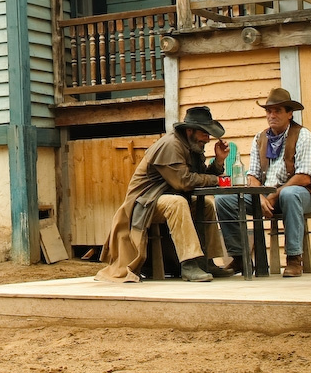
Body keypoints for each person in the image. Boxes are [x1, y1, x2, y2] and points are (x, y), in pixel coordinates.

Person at [95, 106, 235, 283]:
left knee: (206, 204)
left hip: (165, 196)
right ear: (190, 130)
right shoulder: (171, 145)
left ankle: (207, 262)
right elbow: (183, 182)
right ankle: (189, 265)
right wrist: (216, 180)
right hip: (145, 201)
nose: (207, 139)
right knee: (177, 203)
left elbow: (200, 176)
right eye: (204, 133)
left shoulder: (192, 146)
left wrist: (219, 161)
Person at [215, 88, 311, 278]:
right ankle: (240, 257)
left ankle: (294, 258)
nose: (272, 115)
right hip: (267, 196)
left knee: (290, 194)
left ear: (290, 114)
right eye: (269, 111)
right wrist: (259, 197)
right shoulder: (260, 138)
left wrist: (274, 195)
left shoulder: (303, 136)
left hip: (301, 195)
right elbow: (253, 176)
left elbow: (305, 177)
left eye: (277, 111)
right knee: (223, 200)